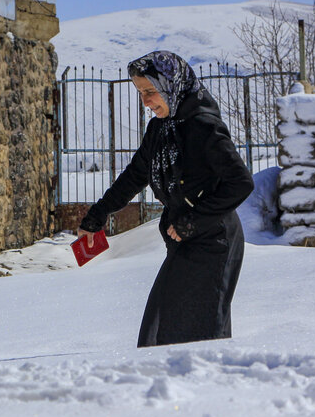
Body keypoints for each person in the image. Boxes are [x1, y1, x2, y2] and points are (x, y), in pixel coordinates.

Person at [77, 51, 254, 347]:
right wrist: (98, 215)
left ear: (172, 84)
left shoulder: (203, 126)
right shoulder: (161, 127)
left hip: (214, 241)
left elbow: (240, 182)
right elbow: (135, 175)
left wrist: (193, 220)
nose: (145, 101)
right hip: (183, 240)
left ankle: (202, 389)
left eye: (150, 91)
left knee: (196, 335)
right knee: (160, 328)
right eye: (140, 92)